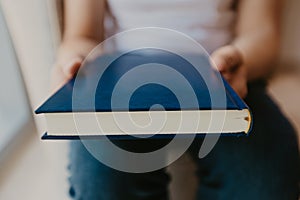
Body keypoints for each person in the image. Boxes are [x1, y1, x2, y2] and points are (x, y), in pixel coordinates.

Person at [51, 0, 300, 199]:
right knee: (102, 182)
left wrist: (240, 59)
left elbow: (261, 33)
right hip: (117, 83)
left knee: (265, 178)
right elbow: (82, 34)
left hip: (222, 78)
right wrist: (74, 61)